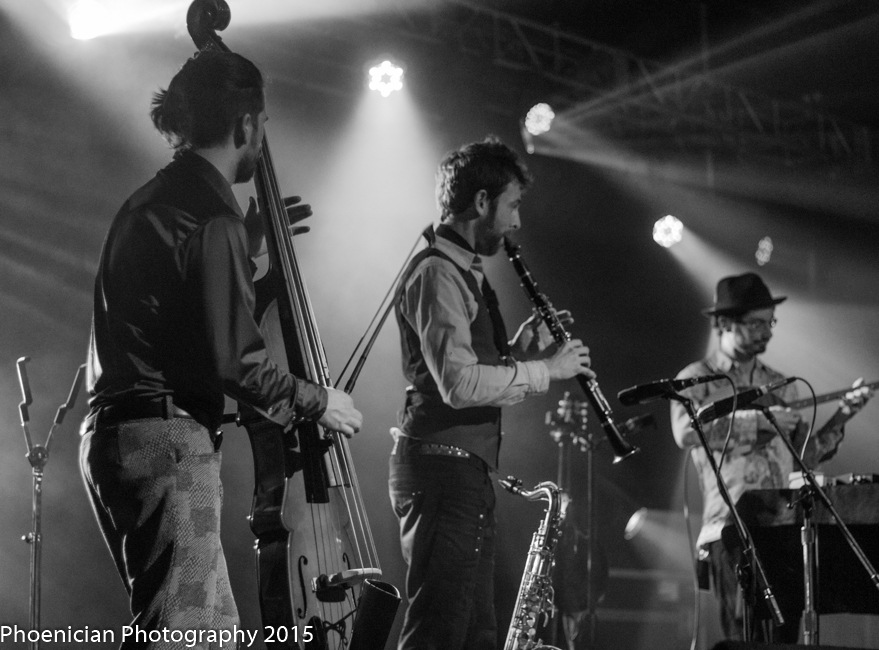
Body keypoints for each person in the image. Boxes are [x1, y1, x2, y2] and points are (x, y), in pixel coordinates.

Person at [79, 50, 362, 648]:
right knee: (183, 634)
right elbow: (238, 362)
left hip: (119, 436)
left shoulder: (154, 200)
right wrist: (319, 400)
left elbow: (180, 317)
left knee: (213, 634)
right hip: (166, 442)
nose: (264, 139)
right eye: (265, 125)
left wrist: (243, 252)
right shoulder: (213, 218)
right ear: (246, 124)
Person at [388, 137, 595, 650]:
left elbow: (466, 369)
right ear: (481, 202)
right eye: (512, 205)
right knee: (440, 631)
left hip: (462, 471)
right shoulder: (438, 272)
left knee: (474, 634)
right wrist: (546, 370)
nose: (516, 222)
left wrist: (519, 350)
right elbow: (459, 384)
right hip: (442, 471)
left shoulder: (463, 272)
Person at [670, 272, 874, 643]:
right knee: (743, 635)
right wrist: (758, 421)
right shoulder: (696, 379)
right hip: (729, 528)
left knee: (784, 639)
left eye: (770, 323)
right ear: (724, 323)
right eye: (756, 324)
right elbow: (686, 431)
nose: (767, 332)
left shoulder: (782, 385)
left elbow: (803, 459)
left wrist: (843, 415)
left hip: (782, 528)